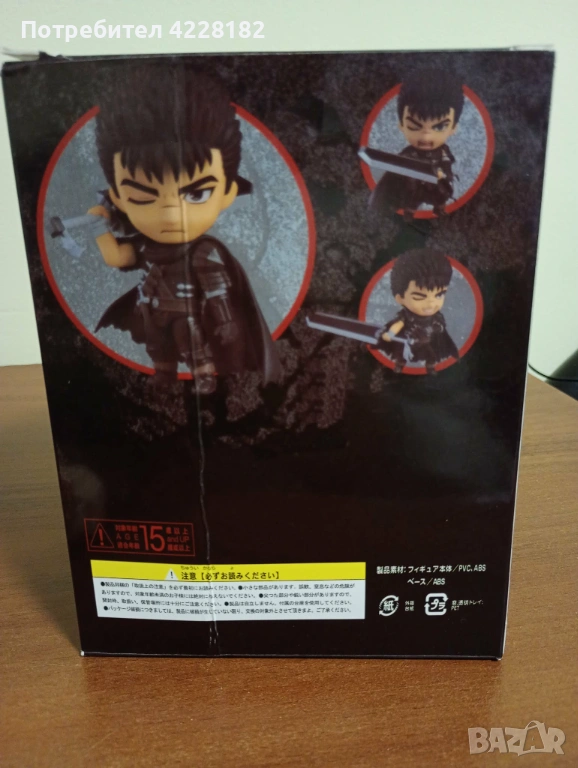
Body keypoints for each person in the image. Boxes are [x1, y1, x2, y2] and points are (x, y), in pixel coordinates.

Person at [88, 64, 281, 393]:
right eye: (142, 197)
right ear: (119, 198)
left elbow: (217, 291)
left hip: (187, 313)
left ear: (227, 193)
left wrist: (226, 321)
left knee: (190, 340)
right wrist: (98, 227)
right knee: (158, 347)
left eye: (196, 194)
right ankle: (164, 376)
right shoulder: (146, 246)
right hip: (151, 311)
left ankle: (203, 375)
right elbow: (116, 257)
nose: (171, 216)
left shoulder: (205, 251)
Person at [370, 70, 464, 221]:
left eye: (439, 127)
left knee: (443, 192)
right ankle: (409, 211)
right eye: (414, 126)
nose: (426, 137)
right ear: (401, 125)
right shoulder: (409, 154)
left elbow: (447, 162)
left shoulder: (443, 152)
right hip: (415, 185)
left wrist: (443, 174)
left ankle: (439, 208)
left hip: (436, 181)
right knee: (412, 193)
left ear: (453, 128)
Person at [380, 249, 459, 374]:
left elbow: (440, 327)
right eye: (419, 297)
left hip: (426, 341)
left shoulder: (436, 317)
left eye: (439, 295)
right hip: (407, 340)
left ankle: (430, 367)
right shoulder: (406, 315)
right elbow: (398, 324)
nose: (431, 304)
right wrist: (390, 334)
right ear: (400, 298)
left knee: (431, 356)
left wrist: (434, 329)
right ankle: (400, 365)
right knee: (401, 355)